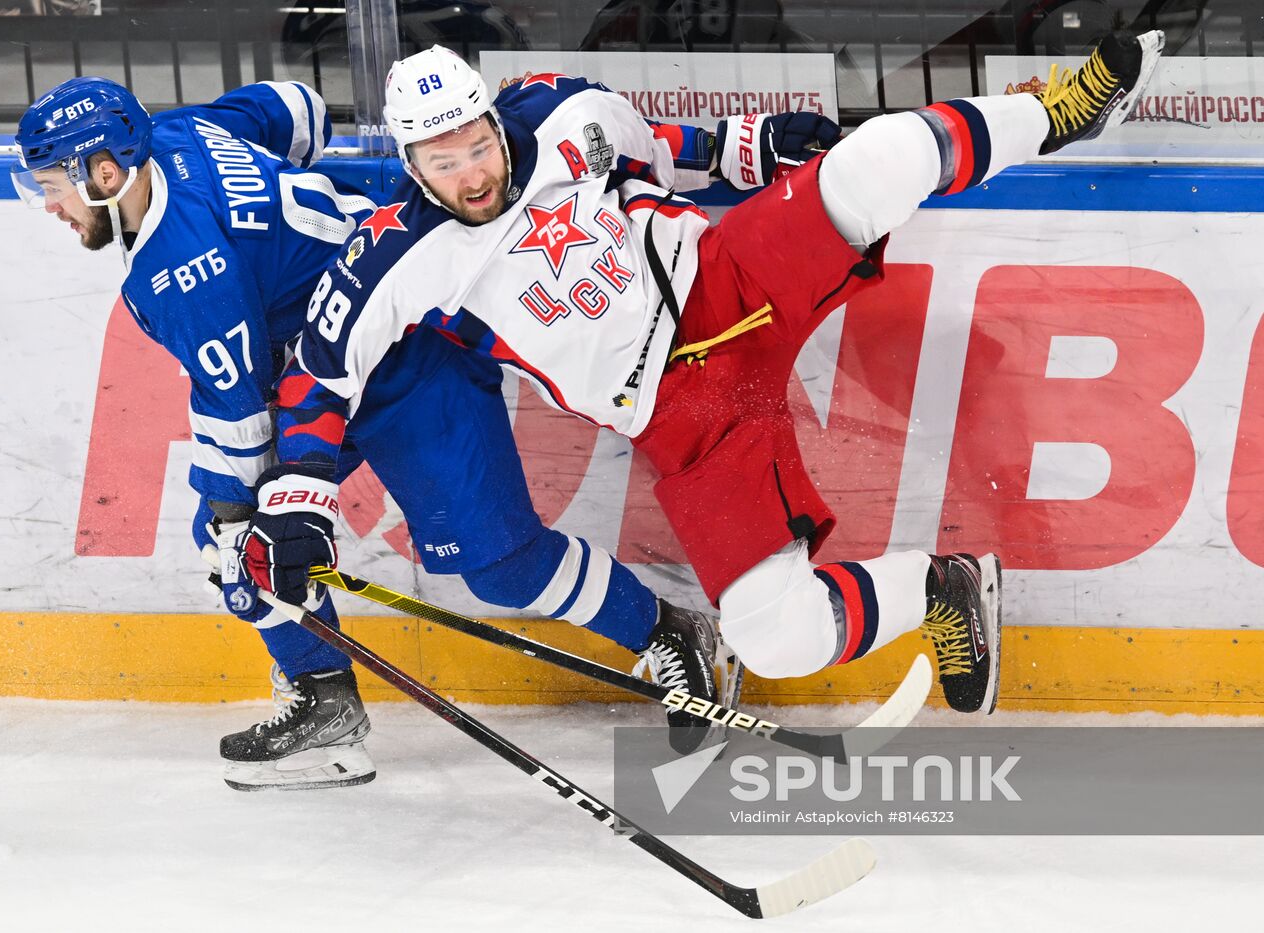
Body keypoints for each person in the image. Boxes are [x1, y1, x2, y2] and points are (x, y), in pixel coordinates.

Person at [238, 31, 1166, 716]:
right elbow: (321, 380)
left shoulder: (562, 108)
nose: (473, 171)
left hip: (727, 283)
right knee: (777, 633)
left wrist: (740, 149)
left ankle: (1059, 112)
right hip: (687, 423)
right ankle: (942, 587)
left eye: (477, 142)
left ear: (488, 114)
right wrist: (294, 507)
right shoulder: (391, 259)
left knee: (873, 157)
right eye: (444, 160)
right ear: (409, 160)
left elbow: (657, 150)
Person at [11, 76, 715, 791]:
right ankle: (324, 702)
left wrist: (237, 520)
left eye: (54, 185)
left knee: (491, 563)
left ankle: (669, 629)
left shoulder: (179, 274)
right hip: (319, 372)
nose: (50, 204)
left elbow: (239, 412)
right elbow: (295, 109)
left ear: (106, 172)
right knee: (245, 544)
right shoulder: (182, 132)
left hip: (404, 359)